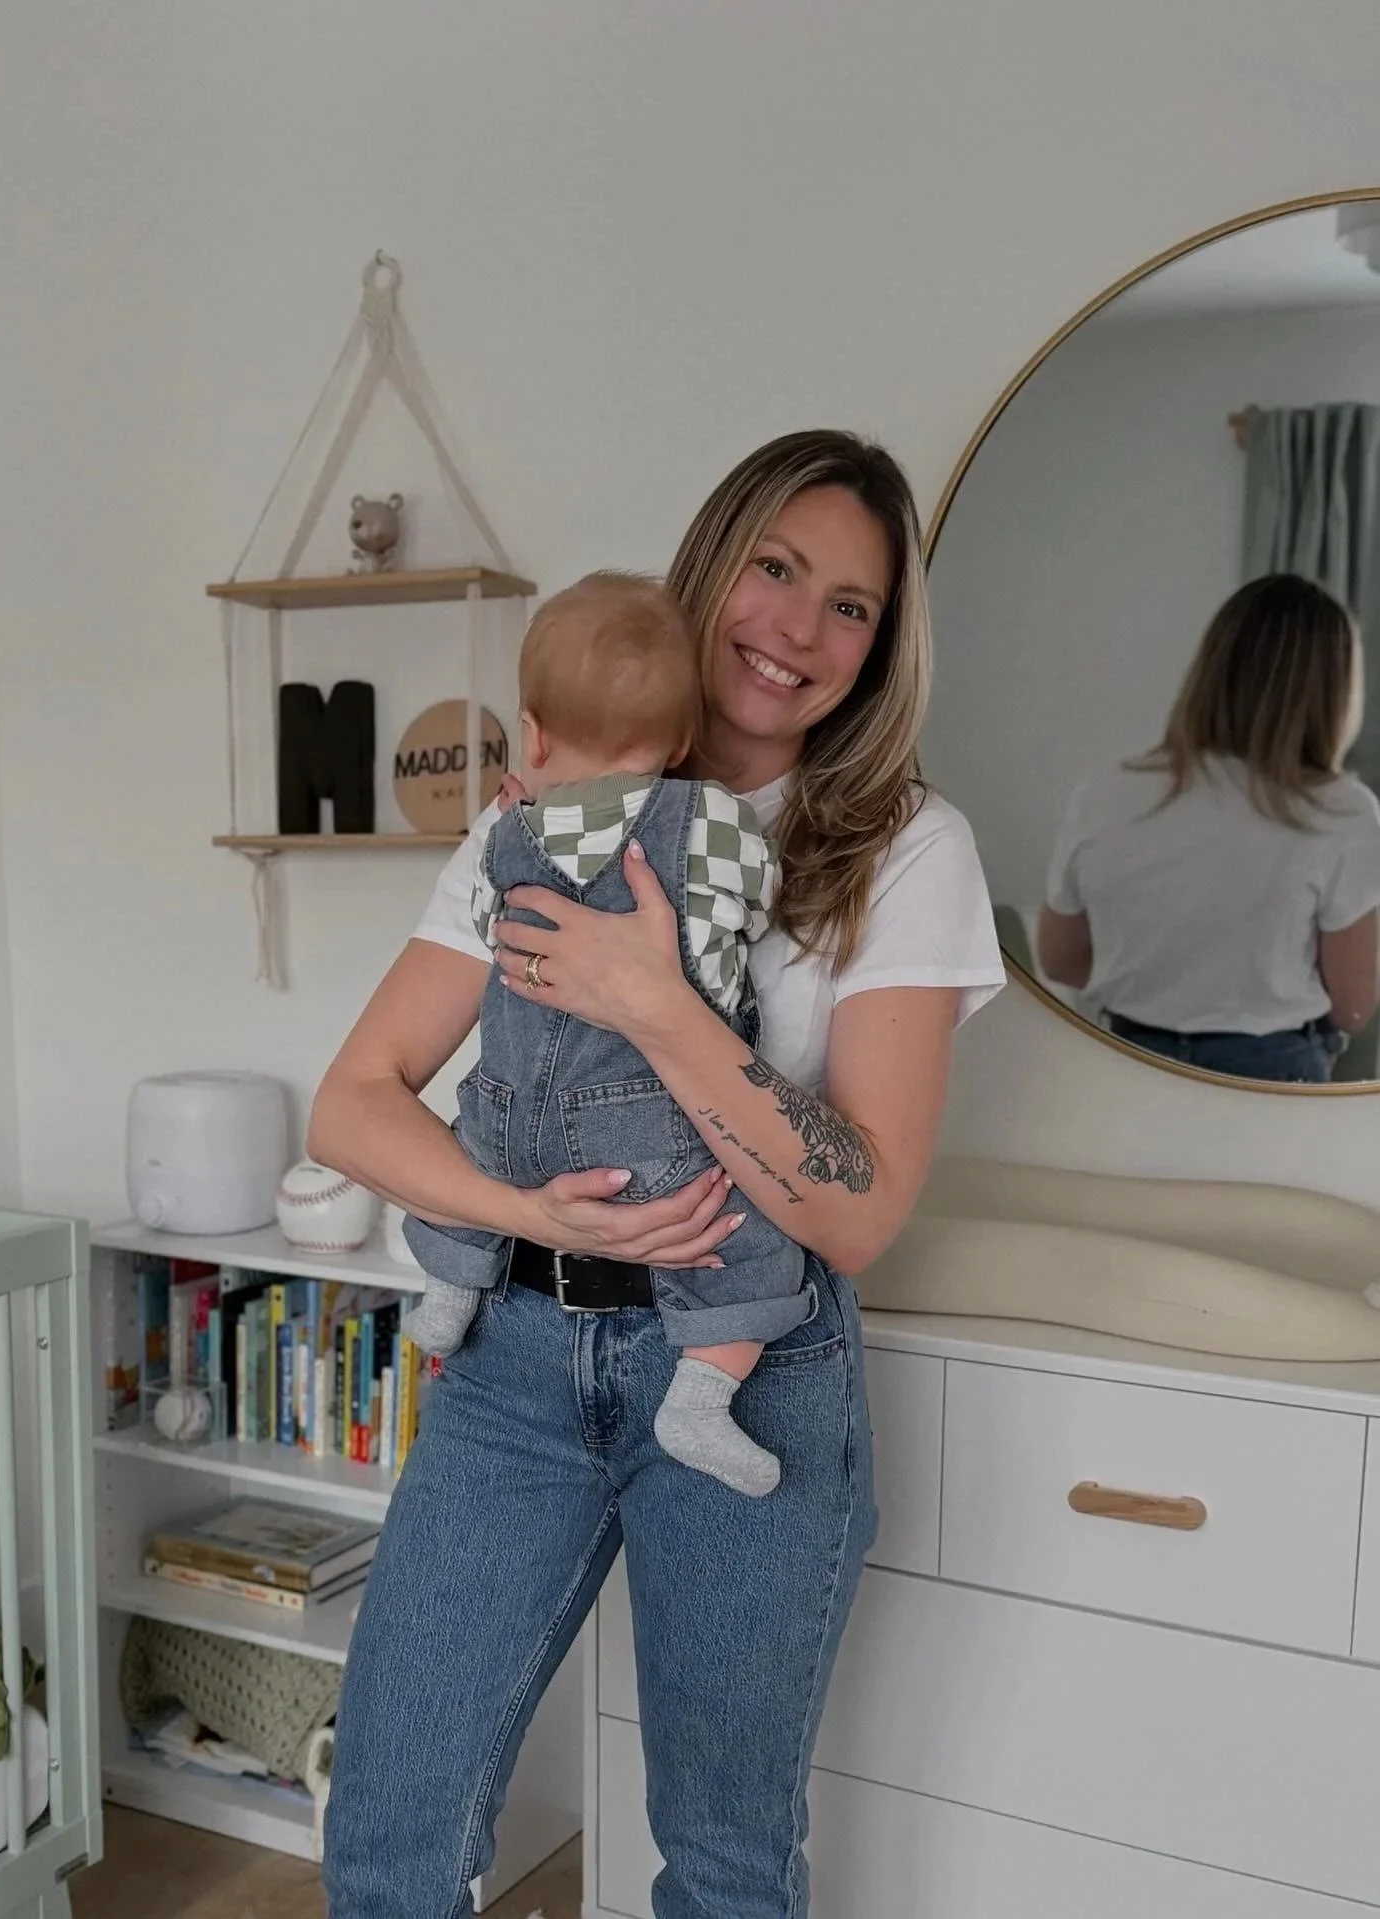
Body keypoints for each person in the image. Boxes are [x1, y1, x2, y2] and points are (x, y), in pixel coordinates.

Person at [310, 428, 1005, 1919]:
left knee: (723, 1857)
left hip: (751, 1366)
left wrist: (655, 1003)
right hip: (514, 1358)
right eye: (773, 569)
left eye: (848, 605)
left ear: (878, 650)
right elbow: (354, 1103)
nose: (794, 628)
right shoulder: (529, 820)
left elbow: (862, 1205)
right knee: (388, 1823)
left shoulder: (907, 848)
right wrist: (512, 1212)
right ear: (711, 567)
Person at [404, 569, 807, 1498]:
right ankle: (701, 1399)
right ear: (680, 739)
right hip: (640, 1123)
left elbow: (483, 922)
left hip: (507, 1116)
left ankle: (450, 1291)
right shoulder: (705, 818)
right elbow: (755, 902)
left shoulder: (509, 828)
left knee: (465, 1162)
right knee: (749, 1238)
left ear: (533, 733)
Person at [1038, 573, 1380, 1083]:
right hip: (1275, 1070)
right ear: (1333, 691)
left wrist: (1166, 992)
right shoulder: (1341, 810)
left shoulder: (1106, 790)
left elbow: (1059, 958)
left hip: (1125, 1059)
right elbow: (1354, 1003)